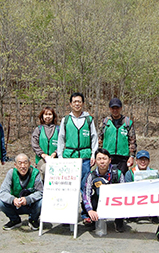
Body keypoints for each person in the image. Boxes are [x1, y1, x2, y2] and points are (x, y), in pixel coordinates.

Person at [57, 92, 98, 220]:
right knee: (68, 187)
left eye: (79, 101)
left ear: (83, 104)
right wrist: (60, 157)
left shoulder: (88, 120)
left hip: (85, 158)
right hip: (69, 158)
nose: (77, 104)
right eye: (74, 101)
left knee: (85, 186)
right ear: (70, 104)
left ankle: (86, 214)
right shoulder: (66, 120)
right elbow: (61, 139)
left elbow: (94, 138)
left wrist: (93, 154)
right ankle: (67, 214)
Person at [82, 148, 125, 232]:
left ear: (109, 160)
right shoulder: (91, 175)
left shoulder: (118, 173)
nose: (102, 162)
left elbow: (124, 192)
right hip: (98, 201)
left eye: (104, 159)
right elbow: (86, 194)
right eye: (99, 159)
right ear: (96, 161)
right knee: (90, 198)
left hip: (115, 201)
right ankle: (94, 219)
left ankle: (119, 221)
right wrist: (90, 210)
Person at [0, 153, 43, 231]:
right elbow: (3, 192)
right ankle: (15, 220)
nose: (23, 166)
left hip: (31, 205)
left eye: (25, 163)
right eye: (20, 163)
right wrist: (13, 199)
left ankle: (33, 219)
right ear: (15, 165)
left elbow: (40, 192)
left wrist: (28, 199)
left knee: (41, 202)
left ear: (29, 164)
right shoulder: (11, 173)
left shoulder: (35, 173)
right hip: (16, 205)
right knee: (0, 203)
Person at [98, 98, 137, 175]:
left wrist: (132, 156)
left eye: (117, 108)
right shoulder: (105, 122)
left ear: (121, 108)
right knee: (107, 178)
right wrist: (100, 155)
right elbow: (100, 140)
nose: (115, 110)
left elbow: (132, 141)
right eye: (113, 108)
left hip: (123, 157)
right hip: (108, 156)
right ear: (109, 108)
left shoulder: (127, 122)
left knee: (121, 178)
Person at [125, 149, 159, 224]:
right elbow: (127, 189)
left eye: (145, 159)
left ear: (149, 161)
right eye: (140, 159)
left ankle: (153, 215)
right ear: (136, 161)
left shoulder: (154, 173)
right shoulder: (130, 173)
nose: (143, 162)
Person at [31, 107, 59, 177]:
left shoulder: (59, 129)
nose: (48, 116)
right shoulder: (38, 129)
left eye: (50, 114)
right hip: (41, 159)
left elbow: (63, 143)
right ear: (42, 116)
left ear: (53, 116)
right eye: (46, 114)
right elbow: (34, 143)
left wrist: (55, 153)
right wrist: (42, 154)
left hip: (55, 159)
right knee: (44, 170)